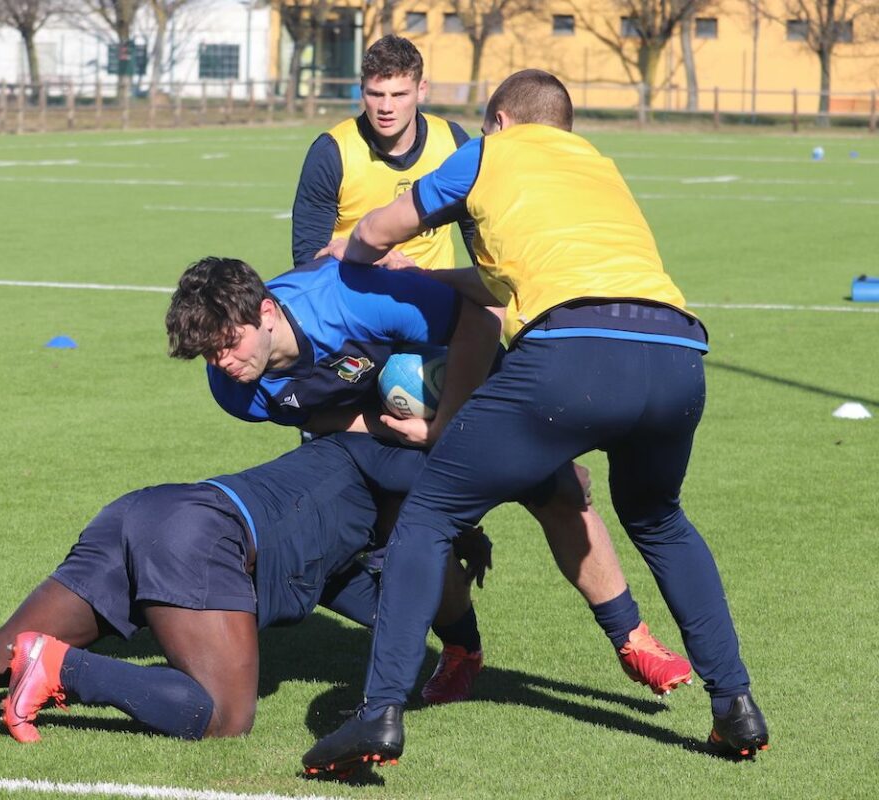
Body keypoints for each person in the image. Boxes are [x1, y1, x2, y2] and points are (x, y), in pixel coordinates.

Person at [304, 70, 769, 775]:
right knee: (659, 519)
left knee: (428, 517)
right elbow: (508, 281)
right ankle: (735, 703)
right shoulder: (596, 163)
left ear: (498, 120)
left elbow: (378, 225)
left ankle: (379, 714)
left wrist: (356, 261)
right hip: (677, 355)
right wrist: (424, 279)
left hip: (571, 359)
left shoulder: (493, 151)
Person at [165, 256, 692, 707]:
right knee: (410, 532)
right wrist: (393, 430)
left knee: (558, 494)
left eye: (229, 345)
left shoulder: (349, 297)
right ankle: (463, 650)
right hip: (376, 423)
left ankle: (633, 639)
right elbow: (319, 419)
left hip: (467, 378)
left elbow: (482, 324)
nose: (223, 363)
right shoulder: (234, 390)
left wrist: (463, 433)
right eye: (209, 354)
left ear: (266, 311)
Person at [0, 433, 482, 743]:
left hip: (146, 509)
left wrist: (455, 647)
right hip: (202, 532)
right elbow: (445, 489)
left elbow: (385, 605)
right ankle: (64, 669)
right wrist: (501, 506)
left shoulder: (349, 533)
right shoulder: (384, 460)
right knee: (223, 716)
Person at [291, 34, 474, 270]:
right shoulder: (331, 152)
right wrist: (370, 259)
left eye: (399, 95)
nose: (386, 108)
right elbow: (308, 259)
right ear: (361, 90)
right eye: (376, 94)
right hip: (355, 297)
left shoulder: (453, 141)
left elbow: (476, 229)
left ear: (421, 90)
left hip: (433, 296)